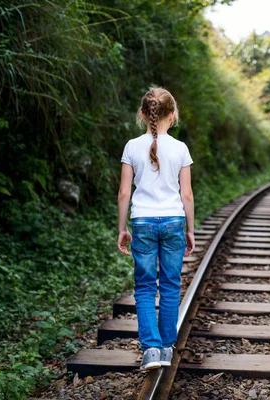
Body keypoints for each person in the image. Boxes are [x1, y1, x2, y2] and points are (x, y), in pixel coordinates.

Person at [117, 87, 195, 370]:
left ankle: (151, 349)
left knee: (146, 286)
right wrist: (190, 230)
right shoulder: (180, 148)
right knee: (171, 285)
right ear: (172, 116)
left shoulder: (131, 146)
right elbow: (186, 194)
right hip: (174, 220)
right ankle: (166, 347)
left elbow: (124, 192)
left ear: (142, 114)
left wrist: (122, 228)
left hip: (143, 222)